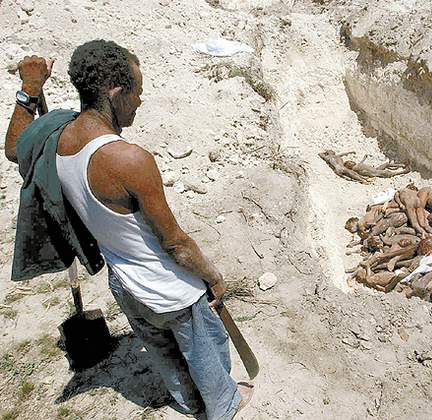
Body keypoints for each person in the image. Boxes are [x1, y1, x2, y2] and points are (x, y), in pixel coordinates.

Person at [4, 40, 252, 419]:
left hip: (124, 283)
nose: (140, 100)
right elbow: (176, 244)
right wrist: (214, 278)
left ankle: (186, 403)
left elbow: (15, 147)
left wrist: (30, 90)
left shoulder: (57, 136)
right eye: (137, 91)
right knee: (205, 350)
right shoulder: (128, 159)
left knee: (163, 352)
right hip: (170, 289)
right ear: (116, 93)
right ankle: (224, 405)